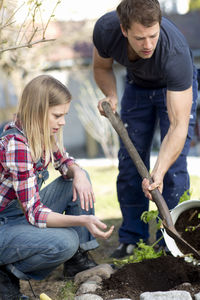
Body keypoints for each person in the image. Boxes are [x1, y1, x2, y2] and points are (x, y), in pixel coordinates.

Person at [92, 0, 198, 258]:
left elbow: (178, 126)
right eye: (140, 38)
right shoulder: (106, 31)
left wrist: (158, 171)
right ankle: (131, 239)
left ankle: (171, 245)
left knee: (172, 170)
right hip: (137, 88)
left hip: (172, 91)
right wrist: (111, 96)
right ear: (124, 30)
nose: (148, 45)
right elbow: (101, 67)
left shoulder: (175, 54)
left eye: (153, 35)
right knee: (129, 164)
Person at [0, 75, 114, 299]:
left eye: (64, 115)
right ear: (38, 111)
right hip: (4, 224)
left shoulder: (41, 134)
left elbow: (64, 162)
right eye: (57, 115)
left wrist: (78, 172)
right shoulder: (17, 145)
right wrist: (83, 220)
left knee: (76, 179)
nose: (62, 122)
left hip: (17, 214)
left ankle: (78, 263)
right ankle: (7, 269)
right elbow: (35, 214)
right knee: (66, 241)